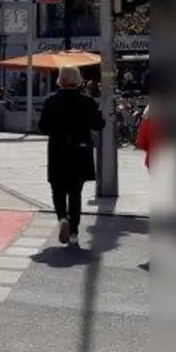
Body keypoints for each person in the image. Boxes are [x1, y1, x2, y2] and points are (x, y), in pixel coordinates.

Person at [38, 65, 105, 247]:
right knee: (76, 193)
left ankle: (62, 218)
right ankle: (74, 232)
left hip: (58, 149)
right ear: (78, 79)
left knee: (57, 189)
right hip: (80, 150)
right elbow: (99, 124)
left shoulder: (51, 100)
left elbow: (42, 126)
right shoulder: (86, 101)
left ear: (60, 79)